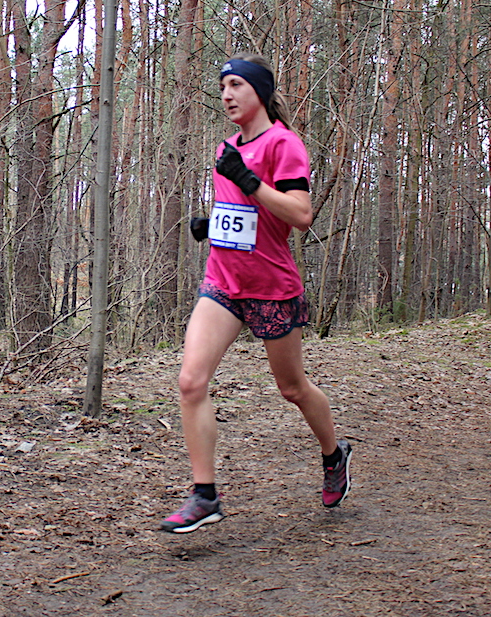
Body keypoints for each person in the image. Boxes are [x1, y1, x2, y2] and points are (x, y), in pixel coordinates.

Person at [160, 53, 352, 534]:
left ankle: (334, 454)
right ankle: (205, 495)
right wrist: (213, 226)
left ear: (260, 92)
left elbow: (300, 215)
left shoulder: (284, 144)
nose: (226, 95)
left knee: (292, 388)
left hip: (271, 287)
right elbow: (245, 216)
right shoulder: (226, 147)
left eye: (236, 86)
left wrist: (249, 180)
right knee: (191, 382)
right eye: (222, 87)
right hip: (223, 282)